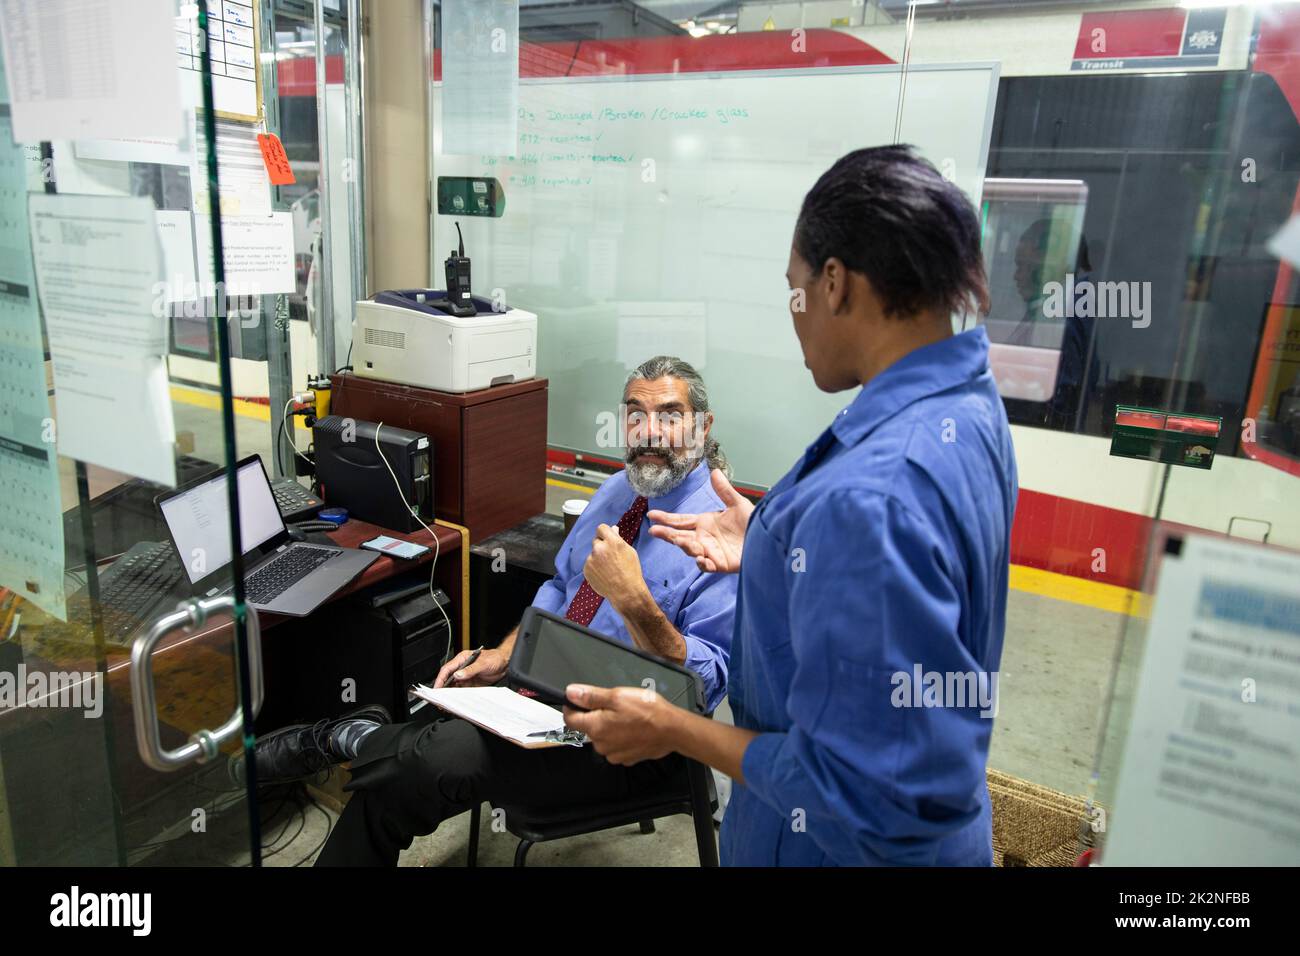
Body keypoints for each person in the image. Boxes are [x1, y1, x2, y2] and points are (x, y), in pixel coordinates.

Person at [563, 146, 1019, 866]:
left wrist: (673, 726)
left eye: (795, 289)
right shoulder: (966, 409)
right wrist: (781, 544)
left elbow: (858, 793)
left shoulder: (871, 492)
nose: (795, 312)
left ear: (835, 284)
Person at [247, 356, 738, 866]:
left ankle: (352, 736)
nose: (650, 431)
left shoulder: (723, 533)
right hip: (548, 683)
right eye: (636, 413)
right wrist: (503, 657)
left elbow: (699, 691)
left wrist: (634, 600)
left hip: (633, 737)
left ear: (703, 426)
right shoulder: (619, 489)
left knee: (436, 758)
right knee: (406, 767)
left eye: (671, 415)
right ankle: (363, 737)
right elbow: (560, 590)